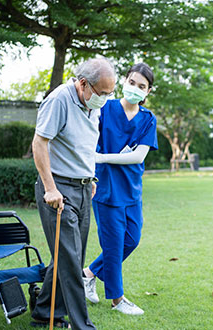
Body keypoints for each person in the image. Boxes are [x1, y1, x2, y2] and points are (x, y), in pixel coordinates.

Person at [31, 57, 116, 329]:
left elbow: (84, 145)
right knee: (70, 262)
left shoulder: (93, 104)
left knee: (70, 257)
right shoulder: (59, 100)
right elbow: (39, 142)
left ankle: (44, 312)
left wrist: (89, 177)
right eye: (102, 93)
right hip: (59, 190)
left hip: (82, 187)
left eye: (109, 93)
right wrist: (50, 188)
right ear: (83, 84)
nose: (105, 99)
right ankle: (83, 326)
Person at [83, 63, 158, 315]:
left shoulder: (148, 119)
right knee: (114, 245)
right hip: (105, 190)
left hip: (132, 191)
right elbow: (88, 140)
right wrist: (92, 169)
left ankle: (88, 274)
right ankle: (117, 300)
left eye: (142, 86)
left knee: (131, 240)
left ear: (148, 92)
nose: (135, 88)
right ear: (125, 81)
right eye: (132, 82)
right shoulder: (105, 109)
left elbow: (138, 157)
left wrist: (102, 158)